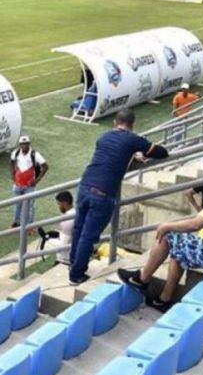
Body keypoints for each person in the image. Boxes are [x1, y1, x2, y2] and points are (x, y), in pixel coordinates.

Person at [119, 162, 203, 311]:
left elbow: (195, 225)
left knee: (168, 236)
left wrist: (167, 225)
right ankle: (164, 299)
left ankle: (142, 279)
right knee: (179, 250)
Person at [70, 110, 169, 284]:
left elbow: (112, 155)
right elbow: (161, 152)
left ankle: (73, 264)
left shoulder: (104, 137)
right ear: (132, 124)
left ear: (115, 122)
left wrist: (132, 157)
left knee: (78, 229)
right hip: (103, 192)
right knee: (88, 236)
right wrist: (140, 155)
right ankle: (76, 274)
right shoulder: (133, 139)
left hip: (85, 186)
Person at [10, 136, 48, 229]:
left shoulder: (35, 154)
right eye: (22, 144)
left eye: (25, 143)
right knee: (17, 204)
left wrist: (37, 180)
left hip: (29, 186)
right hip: (18, 184)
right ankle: (16, 222)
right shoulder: (16, 153)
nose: (24, 145)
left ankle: (29, 226)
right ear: (19, 145)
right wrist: (13, 177)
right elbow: (11, 163)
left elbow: (45, 166)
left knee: (30, 206)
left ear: (29, 144)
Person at [37, 192, 76, 265]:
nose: (58, 206)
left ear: (64, 203)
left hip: (65, 260)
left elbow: (63, 245)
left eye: (59, 204)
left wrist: (47, 238)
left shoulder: (67, 220)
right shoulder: (76, 212)